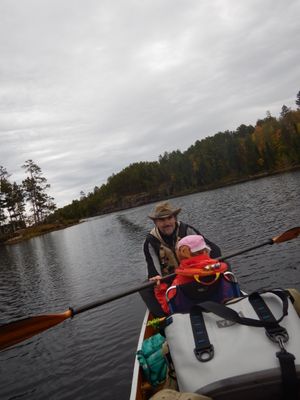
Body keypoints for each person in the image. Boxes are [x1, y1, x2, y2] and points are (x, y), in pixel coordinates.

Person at [140, 201, 222, 316]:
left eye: (169, 218)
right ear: (155, 222)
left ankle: (226, 297)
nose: (167, 223)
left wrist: (211, 265)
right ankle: (166, 319)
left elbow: (212, 249)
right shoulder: (150, 241)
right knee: (145, 288)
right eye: (162, 220)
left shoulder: (187, 230)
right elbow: (152, 266)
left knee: (223, 263)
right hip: (169, 278)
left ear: (175, 218)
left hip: (194, 274)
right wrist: (156, 277)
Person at [154, 235, 235, 314]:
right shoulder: (218, 272)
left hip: (193, 317)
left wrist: (159, 289)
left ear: (180, 255)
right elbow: (229, 293)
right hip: (222, 310)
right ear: (205, 251)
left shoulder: (179, 281)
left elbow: (169, 308)